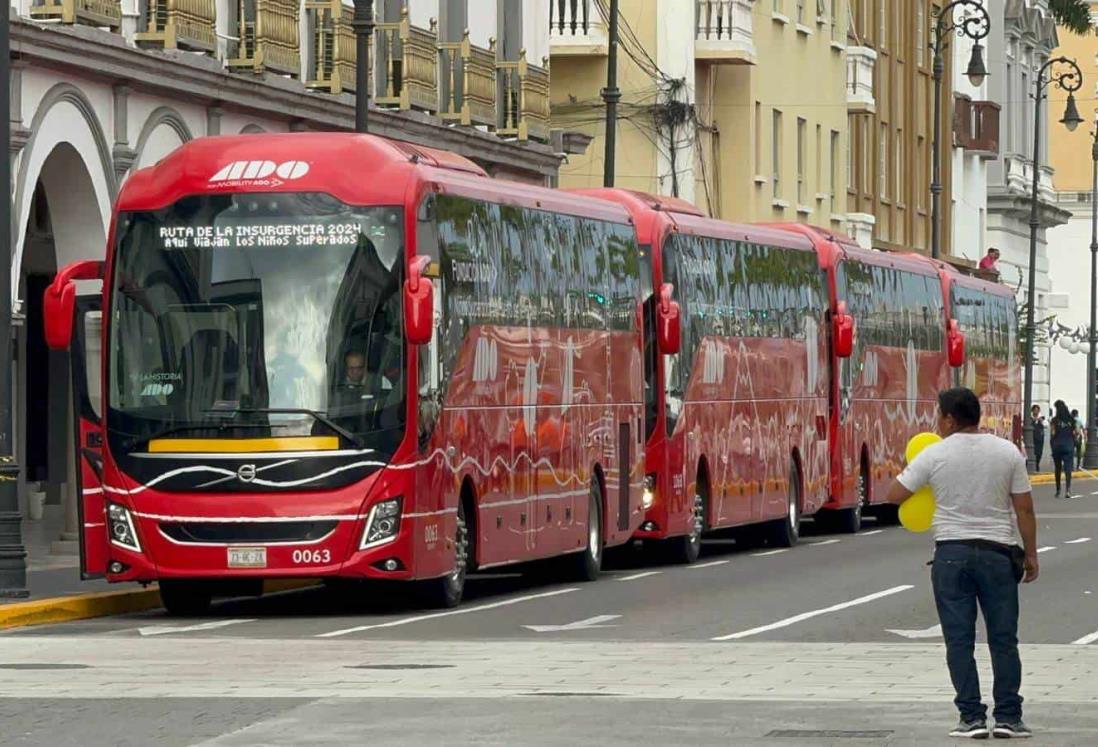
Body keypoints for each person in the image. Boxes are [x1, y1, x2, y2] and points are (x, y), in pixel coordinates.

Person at [887, 388, 1037, 740]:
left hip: (951, 555)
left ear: (950, 419)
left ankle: (970, 718)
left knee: (959, 640)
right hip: (998, 554)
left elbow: (894, 495)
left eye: (939, 416)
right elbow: (1025, 509)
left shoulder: (934, 454)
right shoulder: (1007, 452)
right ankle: (1008, 718)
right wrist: (1031, 554)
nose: (937, 423)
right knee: (1003, 639)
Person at [1050, 400, 1077, 498]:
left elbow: (1053, 433)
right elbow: (1076, 432)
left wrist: (1052, 444)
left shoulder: (1054, 420)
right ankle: (1068, 490)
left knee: (1058, 469)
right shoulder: (1071, 420)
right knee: (1068, 469)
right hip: (1068, 446)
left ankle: (1058, 490)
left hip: (1057, 446)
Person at [1030, 405, 1045, 472]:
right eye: (1034, 410)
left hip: (1039, 438)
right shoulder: (1029, 418)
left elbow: (1046, 424)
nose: (1036, 411)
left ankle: (1037, 464)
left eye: (1037, 410)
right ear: (1032, 411)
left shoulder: (1041, 418)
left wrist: (1040, 420)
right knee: (1032, 452)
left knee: (1039, 453)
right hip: (1031, 438)